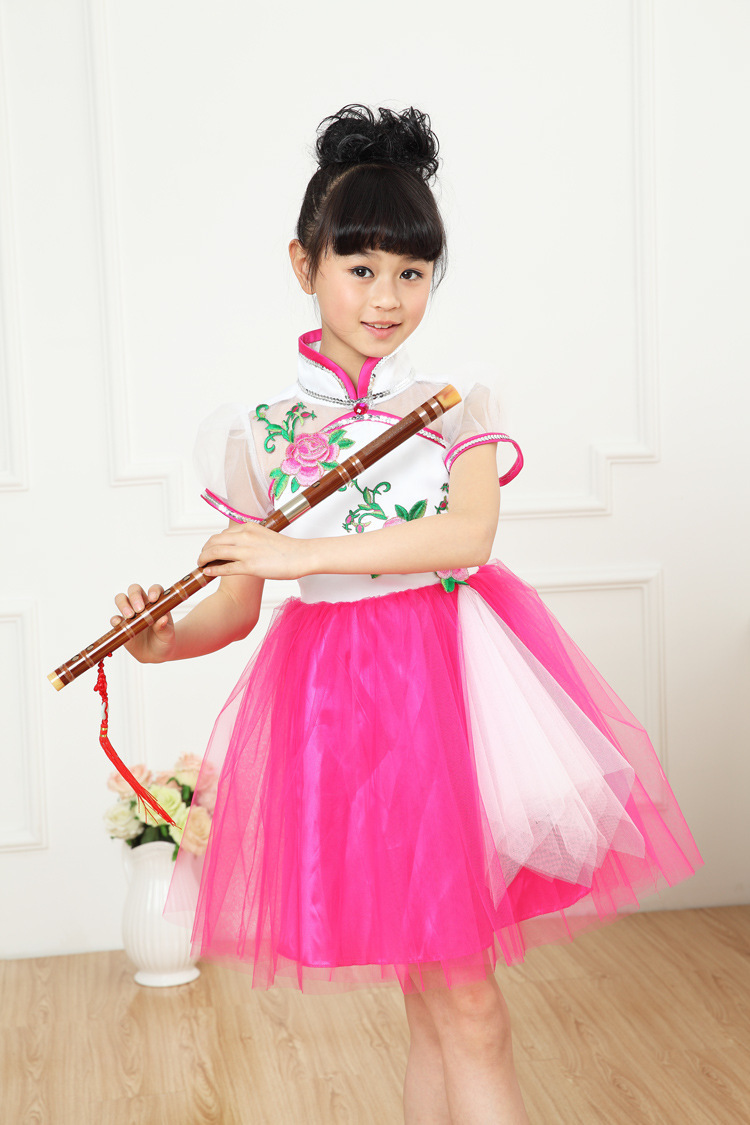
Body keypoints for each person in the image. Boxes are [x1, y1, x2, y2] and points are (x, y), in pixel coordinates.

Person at [112, 104, 702, 1125]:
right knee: (430, 999)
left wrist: (300, 552)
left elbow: (466, 537)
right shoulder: (257, 431)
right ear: (304, 264)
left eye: (412, 272)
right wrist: (164, 641)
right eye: (360, 268)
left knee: (464, 999)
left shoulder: (456, 404)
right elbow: (239, 606)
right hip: (336, 705)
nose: (387, 297)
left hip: (447, 688)